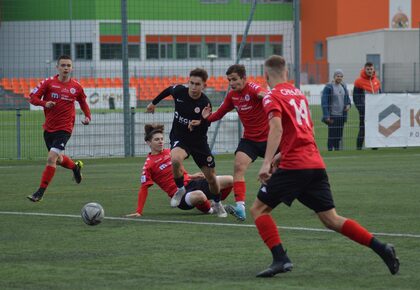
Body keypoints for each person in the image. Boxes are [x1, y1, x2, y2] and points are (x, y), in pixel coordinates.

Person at [250, 55, 399, 278]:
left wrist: (266, 162)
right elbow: (304, 132)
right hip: (314, 163)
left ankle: (280, 258)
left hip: (295, 166)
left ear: (266, 75)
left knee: (258, 209)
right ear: (287, 73)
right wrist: (280, 155)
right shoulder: (299, 95)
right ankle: (382, 248)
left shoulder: (271, 96)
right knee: (331, 219)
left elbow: (277, 129)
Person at [146, 68, 227, 217]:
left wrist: (200, 122)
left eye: (198, 84)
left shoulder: (205, 103)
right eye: (192, 83)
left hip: (199, 142)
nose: (194, 87)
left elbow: (206, 126)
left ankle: (217, 203)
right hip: (180, 137)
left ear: (204, 86)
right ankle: (180, 189)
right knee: (175, 159)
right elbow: (167, 90)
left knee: (211, 177)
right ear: (188, 82)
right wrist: (153, 103)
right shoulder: (179, 91)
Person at [200, 64, 268, 221]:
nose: (231, 83)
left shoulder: (253, 89)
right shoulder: (232, 96)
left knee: (286, 170)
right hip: (250, 140)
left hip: (269, 139)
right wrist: (205, 119)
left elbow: (265, 94)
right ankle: (240, 207)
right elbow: (220, 113)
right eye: (229, 80)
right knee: (238, 167)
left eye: (234, 79)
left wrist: (267, 97)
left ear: (244, 78)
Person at [126, 124, 233, 217]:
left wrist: (191, 176)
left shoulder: (171, 152)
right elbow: (144, 188)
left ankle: (215, 203)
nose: (160, 142)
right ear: (148, 143)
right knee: (200, 195)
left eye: (162, 139)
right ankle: (211, 210)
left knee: (230, 180)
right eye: (156, 139)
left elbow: (177, 172)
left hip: (192, 183)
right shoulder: (148, 164)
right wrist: (138, 211)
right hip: (180, 195)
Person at [27, 55, 91, 202]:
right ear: (57, 67)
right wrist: (45, 104)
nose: (66, 68)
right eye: (63, 65)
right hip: (49, 128)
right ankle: (75, 167)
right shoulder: (48, 83)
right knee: (59, 159)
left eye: (68, 65)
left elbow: (83, 103)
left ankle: (40, 193)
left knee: (51, 158)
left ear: (72, 68)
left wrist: (88, 116)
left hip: (65, 128)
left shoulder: (76, 87)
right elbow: (33, 98)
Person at [353, 62, 381, 150]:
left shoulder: (377, 81)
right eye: (368, 69)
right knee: (363, 129)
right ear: (365, 69)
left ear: (373, 70)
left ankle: (375, 147)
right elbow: (356, 98)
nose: (369, 71)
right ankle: (359, 148)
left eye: (371, 69)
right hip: (364, 111)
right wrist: (362, 109)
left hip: (375, 111)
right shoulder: (358, 81)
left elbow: (381, 96)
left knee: (375, 129)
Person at [321, 69, 351, 151]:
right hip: (332, 116)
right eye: (338, 76)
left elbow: (347, 99)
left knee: (339, 136)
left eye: (341, 76)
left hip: (341, 116)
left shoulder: (344, 86)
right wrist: (326, 115)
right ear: (334, 77)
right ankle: (330, 150)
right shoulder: (329, 87)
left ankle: (337, 150)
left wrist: (348, 105)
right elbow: (324, 102)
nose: (339, 78)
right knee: (331, 135)